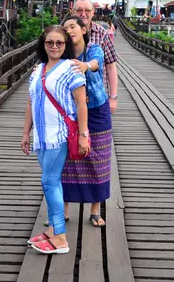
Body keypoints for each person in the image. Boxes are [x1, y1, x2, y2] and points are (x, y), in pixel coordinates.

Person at [22, 25, 89, 255]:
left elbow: (81, 104)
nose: (54, 46)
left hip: (59, 135)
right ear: (43, 44)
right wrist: (25, 133)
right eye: (50, 42)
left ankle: (60, 237)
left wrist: (83, 134)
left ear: (66, 45)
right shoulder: (37, 70)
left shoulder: (71, 69)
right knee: (53, 182)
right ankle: (52, 230)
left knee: (49, 182)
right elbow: (31, 102)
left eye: (59, 43)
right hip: (41, 136)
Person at [61, 15, 112, 227]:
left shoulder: (93, 49)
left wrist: (85, 66)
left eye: (73, 26)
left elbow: (96, 64)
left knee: (98, 158)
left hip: (97, 109)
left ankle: (94, 210)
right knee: (67, 157)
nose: (69, 30)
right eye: (66, 28)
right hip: (71, 111)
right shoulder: (63, 53)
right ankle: (62, 210)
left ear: (83, 29)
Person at [73, 0, 119, 113]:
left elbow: (110, 65)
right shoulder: (65, 34)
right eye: (79, 10)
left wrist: (113, 97)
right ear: (73, 12)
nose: (83, 14)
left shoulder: (102, 33)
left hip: (97, 97)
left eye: (87, 10)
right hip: (71, 98)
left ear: (93, 11)